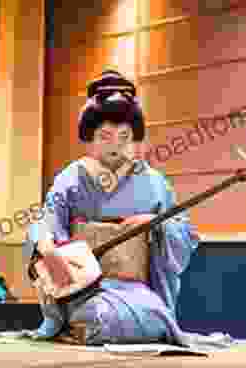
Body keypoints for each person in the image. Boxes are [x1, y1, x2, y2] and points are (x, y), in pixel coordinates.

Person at [23, 70, 207, 346]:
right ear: (90, 136)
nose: (115, 145)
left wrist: (156, 222)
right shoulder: (72, 178)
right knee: (100, 318)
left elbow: (184, 232)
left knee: (156, 317)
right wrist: (47, 247)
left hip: (136, 286)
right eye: (105, 136)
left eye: (124, 136)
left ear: (134, 138)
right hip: (86, 287)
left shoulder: (154, 182)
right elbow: (46, 220)